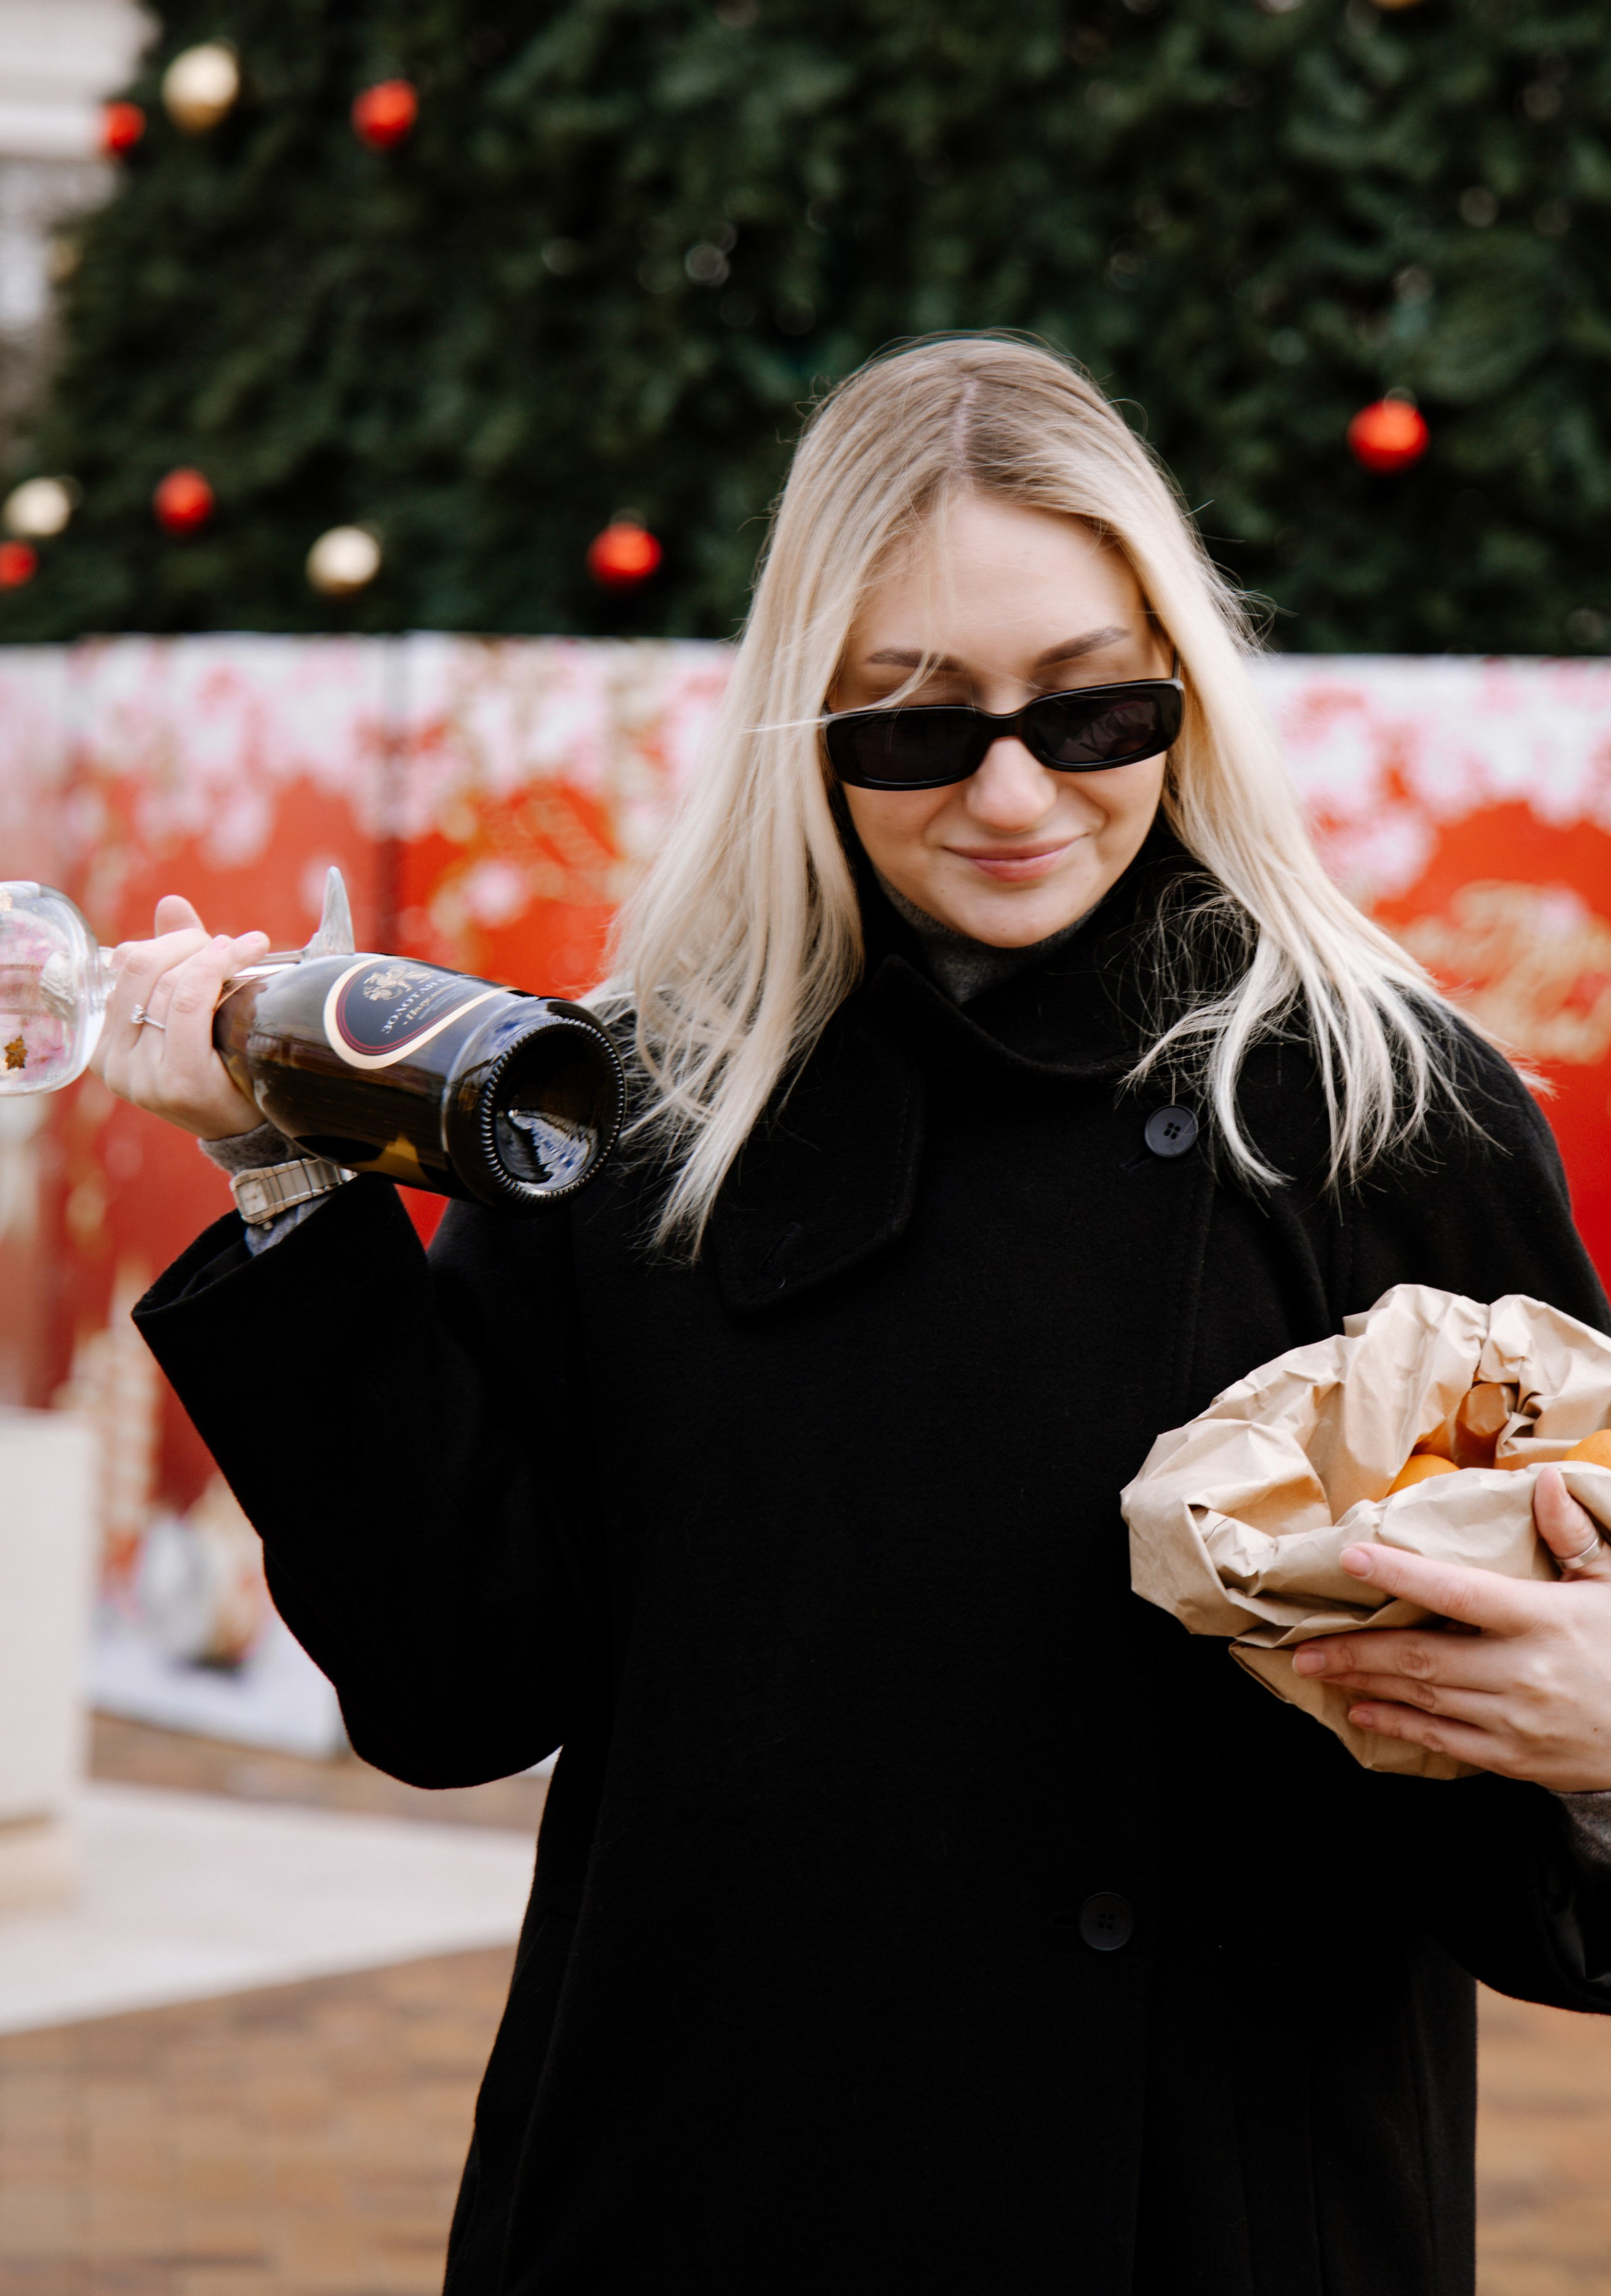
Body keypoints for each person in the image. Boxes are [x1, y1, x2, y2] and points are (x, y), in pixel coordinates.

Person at [103, 337, 1611, 2296]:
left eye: (1093, 707)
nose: (1013, 791)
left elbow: (1534, 1803)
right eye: (916, 724)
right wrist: (284, 1181)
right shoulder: (638, 1106)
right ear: (806, 727)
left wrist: (1598, 1745)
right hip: (706, 2190)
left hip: (1214, 2207)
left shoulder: (1376, 1106)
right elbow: (462, 1688)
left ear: (1187, 689)